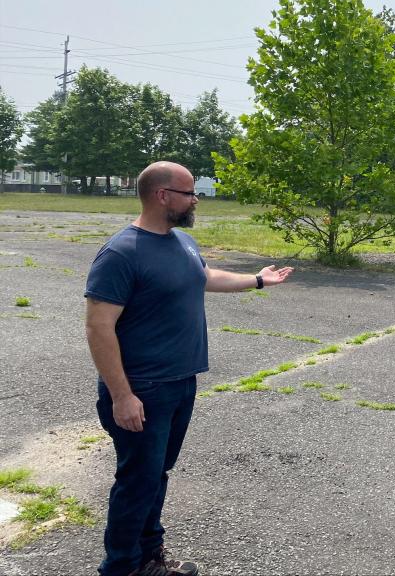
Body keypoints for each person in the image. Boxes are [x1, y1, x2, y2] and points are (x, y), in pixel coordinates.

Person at [85, 162, 293, 576]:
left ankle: (149, 556)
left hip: (180, 383)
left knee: (155, 475)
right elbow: (98, 327)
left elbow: (202, 277)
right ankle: (122, 568)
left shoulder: (182, 241)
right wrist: (122, 395)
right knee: (137, 482)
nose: (196, 199)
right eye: (189, 192)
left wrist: (256, 280)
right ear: (162, 196)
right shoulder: (122, 252)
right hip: (142, 388)